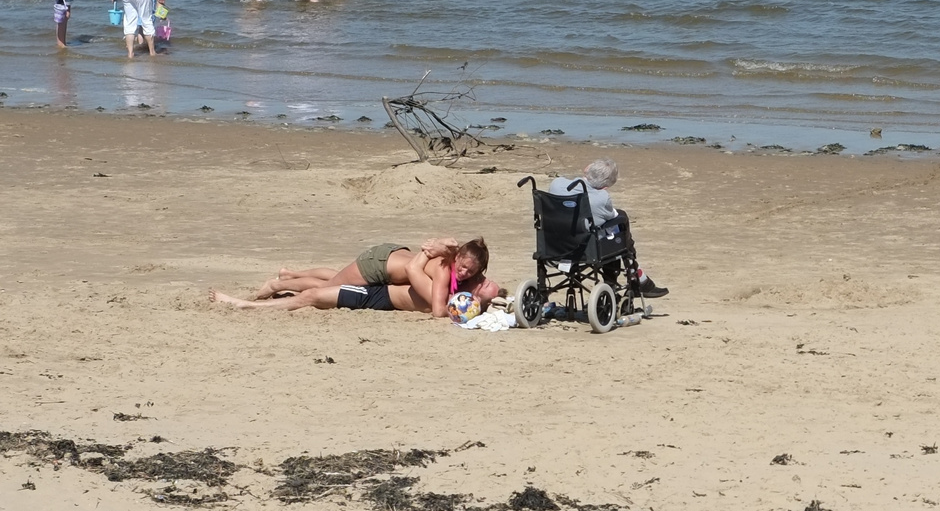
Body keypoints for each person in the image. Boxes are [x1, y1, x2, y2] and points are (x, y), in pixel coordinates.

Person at [216, 238, 501, 317]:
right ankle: (277, 286)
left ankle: (289, 274)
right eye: (462, 266)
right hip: (378, 264)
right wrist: (429, 250)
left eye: (472, 274)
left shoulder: (458, 280)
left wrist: (491, 298)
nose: (463, 272)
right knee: (328, 287)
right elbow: (438, 308)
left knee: (334, 279)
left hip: (385, 275)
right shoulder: (444, 272)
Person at [548, 158, 669, 298]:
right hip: (584, 249)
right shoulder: (601, 198)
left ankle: (638, 276)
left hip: (554, 244)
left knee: (611, 233)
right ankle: (633, 277)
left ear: (586, 169)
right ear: (605, 187)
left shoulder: (557, 184)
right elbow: (613, 216)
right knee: (617, 229)